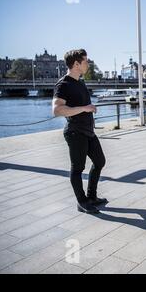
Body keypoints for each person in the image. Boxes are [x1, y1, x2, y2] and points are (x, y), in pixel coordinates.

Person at [52, 49, 107, 214]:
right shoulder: (63, 84)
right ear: (76, 64)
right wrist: (85, 108)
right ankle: (82, 202)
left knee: (100, 162)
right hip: (75, 133)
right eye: (85, 61)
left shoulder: (80, 82)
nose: (88, 64)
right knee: (78, 168)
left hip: (88, 131)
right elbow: (57, 110)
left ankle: (92, 197)